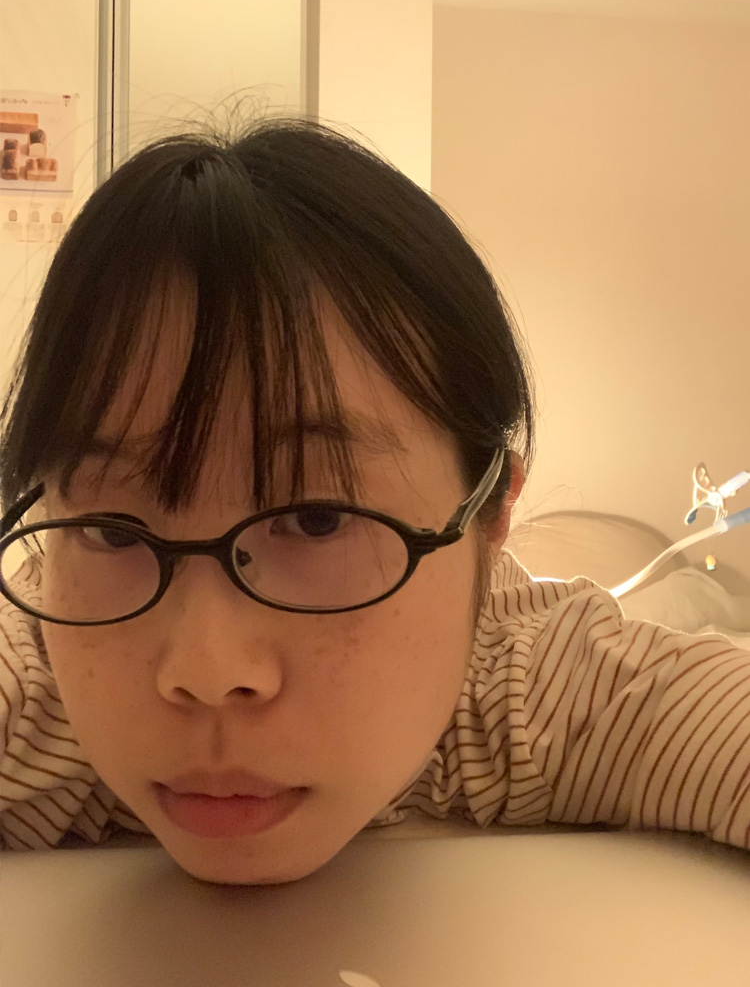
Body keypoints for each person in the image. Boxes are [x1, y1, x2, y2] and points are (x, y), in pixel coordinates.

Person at [0, 117, 747, 887]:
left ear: (491, 511)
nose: (208, 670)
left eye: (316, 519)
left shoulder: (528, 694)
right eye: (113, 531)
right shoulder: (33, 694)